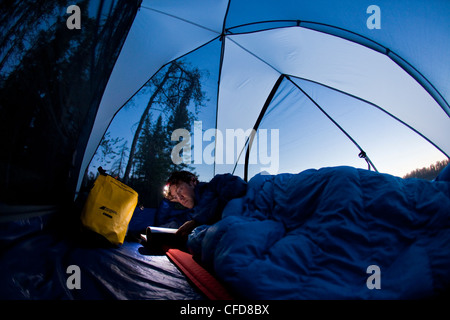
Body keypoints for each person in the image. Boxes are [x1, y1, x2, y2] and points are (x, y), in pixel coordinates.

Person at [163, 170, 247, 240]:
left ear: (192, 181)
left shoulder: (218, 182)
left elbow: (238, 188)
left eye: (180, 190)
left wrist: (197, 222)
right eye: (175, 197)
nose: (180, 198)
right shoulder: (194, 214)